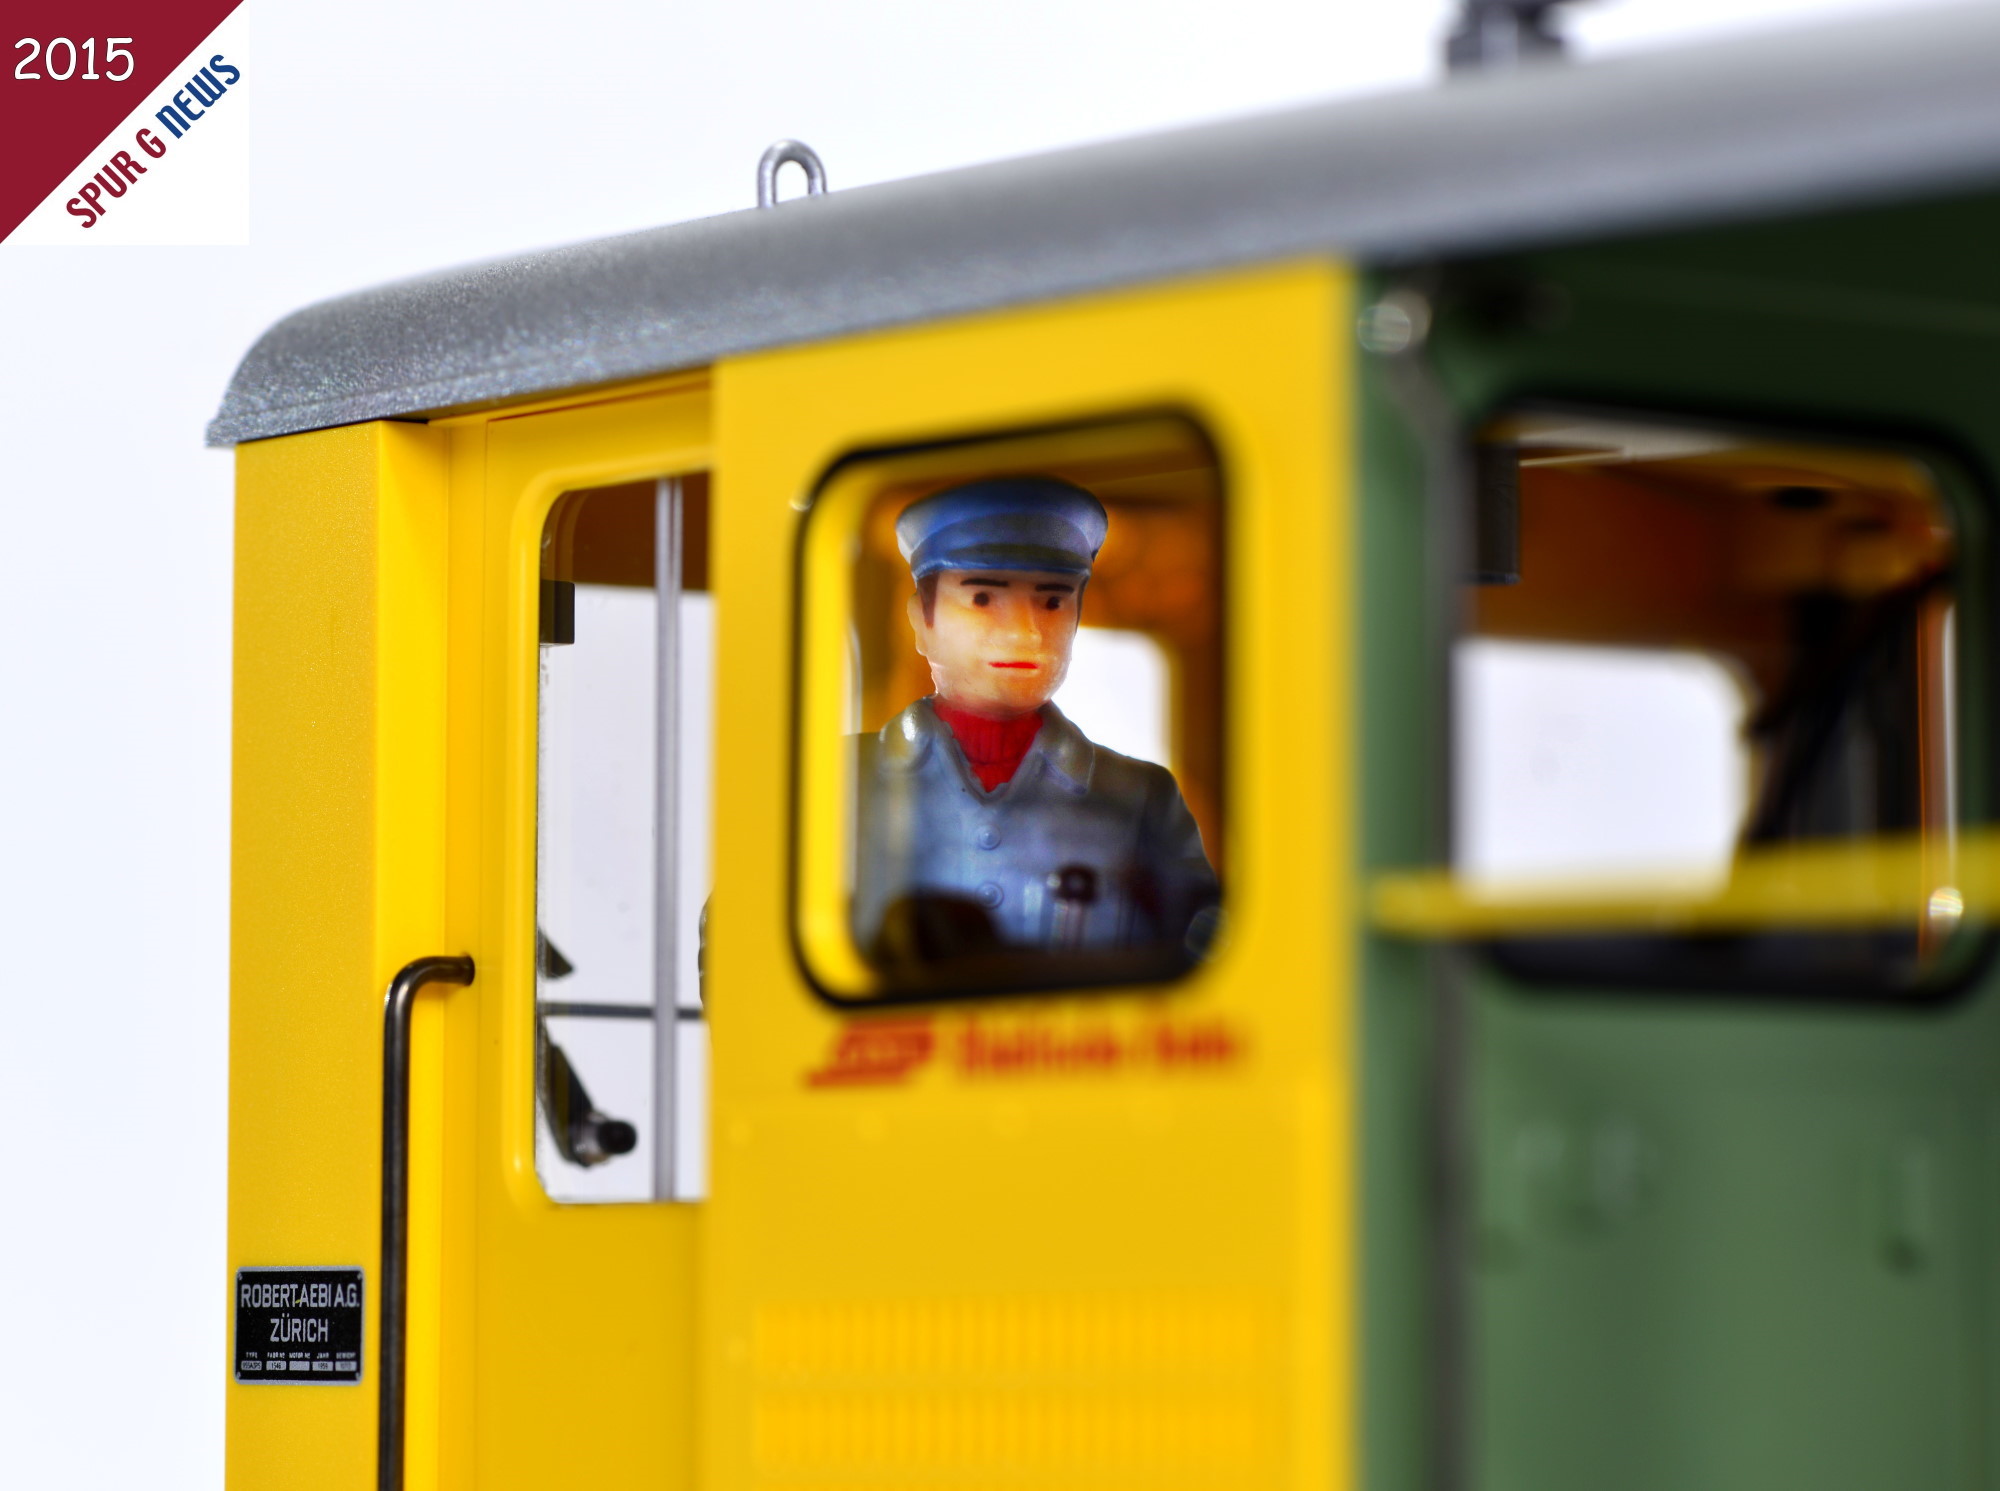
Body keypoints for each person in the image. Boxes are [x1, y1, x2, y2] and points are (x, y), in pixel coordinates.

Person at [851, 476, 1219, 974]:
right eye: (983, 599)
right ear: (922, 619)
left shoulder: (1141, 799)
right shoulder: (836, 779)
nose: (1025, 632)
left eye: (1052, 601)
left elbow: (1211, 964)